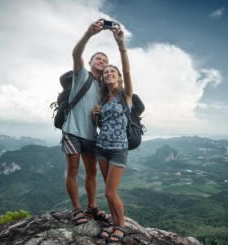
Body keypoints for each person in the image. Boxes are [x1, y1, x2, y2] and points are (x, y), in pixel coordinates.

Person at [61, 19, 110, 226]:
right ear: (90, 62)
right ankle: (76, 209)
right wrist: (88, 34)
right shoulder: (82, 75)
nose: (102, 61)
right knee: (72, 171)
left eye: (105, 60)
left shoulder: (104, 87)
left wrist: (101, 111)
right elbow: (75, 54)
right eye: (98, 58)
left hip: (91, 134)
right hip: (72, 130)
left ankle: (92, 207)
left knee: (92, 173)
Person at [91, 25, 132, 243]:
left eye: (112, 72)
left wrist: (121, 44)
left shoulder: (125, 95)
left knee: (110, 192)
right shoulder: (103, 101)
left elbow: (127, 70)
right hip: (102, 149)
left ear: (117, 77)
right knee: (108, 190)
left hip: (118, 150)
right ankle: (114, 223)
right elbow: (101, 126)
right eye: (106, 72)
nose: (108, 73)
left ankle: (120, 226)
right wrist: (96, 114)